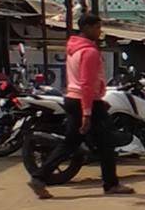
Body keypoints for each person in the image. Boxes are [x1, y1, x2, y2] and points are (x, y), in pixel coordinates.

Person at [28, 13, 134, 199]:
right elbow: (86, 83)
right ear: (87, 28)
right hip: (85, 102)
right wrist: (87, 112)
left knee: (72, 143)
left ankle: (39, 177)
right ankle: (111, 184)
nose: (100, 31)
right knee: (106, 143)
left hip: (75, 99)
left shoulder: (74, 49)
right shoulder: (89, 52)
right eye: (97, 27)